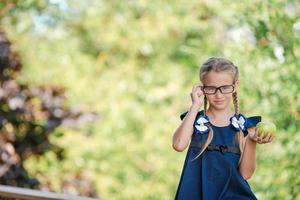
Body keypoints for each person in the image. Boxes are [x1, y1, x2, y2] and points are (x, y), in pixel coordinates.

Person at [172, 57, 275, 199]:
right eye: (211, 88)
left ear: (235, 86)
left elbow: (246, 174)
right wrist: (195, 105)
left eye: (225, 88)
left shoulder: (244, 125)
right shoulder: (195, 119)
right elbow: (178, 144)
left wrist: (252, 141)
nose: (218, 95)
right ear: (202, 88)